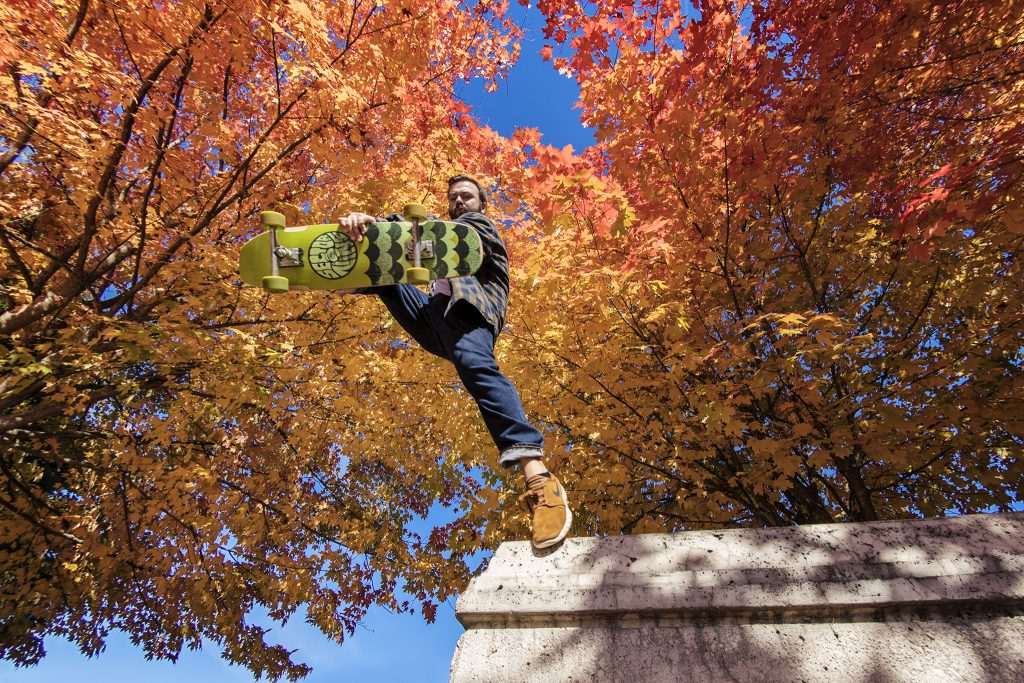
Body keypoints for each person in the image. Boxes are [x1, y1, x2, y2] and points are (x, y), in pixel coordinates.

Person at [338, 176, 572, 549]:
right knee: (389, 282)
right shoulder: (438, 241)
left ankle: (540, 480)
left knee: (475, 367)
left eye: (466, 196)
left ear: (481, 203)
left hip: (470, 313)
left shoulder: (479, 228)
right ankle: (348, 277)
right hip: (436, 316)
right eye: (453, 197)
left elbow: (440, 235)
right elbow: (410, 250)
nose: (459, 201)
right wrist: (361, 234)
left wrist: (382, 223)